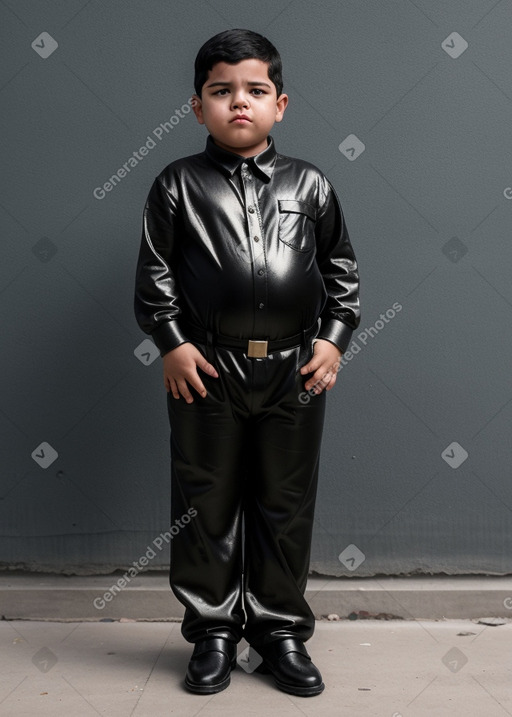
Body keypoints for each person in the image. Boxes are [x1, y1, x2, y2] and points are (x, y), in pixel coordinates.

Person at [134, 28, 360, 697]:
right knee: (205, 502)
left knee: (285, 502)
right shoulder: (176, 184)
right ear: (197, 106)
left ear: (280, 105)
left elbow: (341, 269)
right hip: (206, 371)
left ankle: (280, 628)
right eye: (221, 90)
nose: (240, 102)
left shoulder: (311, 183)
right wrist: (172, 341)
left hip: (295, 371)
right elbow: (154, 275)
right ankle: (211, 632)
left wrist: (333, 337)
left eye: (255, 90)